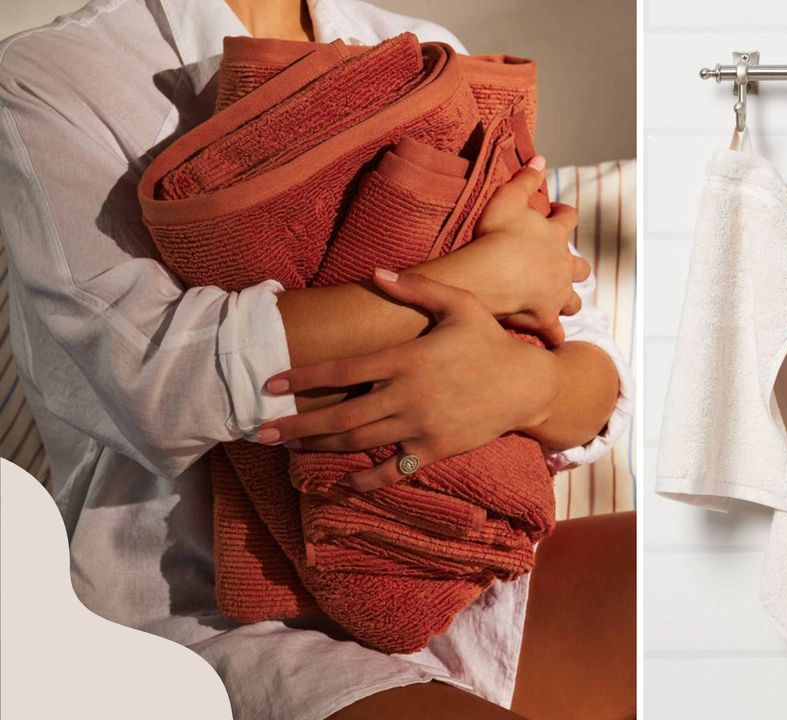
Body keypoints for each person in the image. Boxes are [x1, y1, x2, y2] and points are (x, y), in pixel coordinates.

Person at [0, 0, 635, 718]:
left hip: (456, 560)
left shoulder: (426, 53)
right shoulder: (57, 76)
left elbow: (591, 362)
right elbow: (152, 377)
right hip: (217, 619)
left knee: (710, 585)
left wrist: (528, 386)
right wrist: (480, 279)